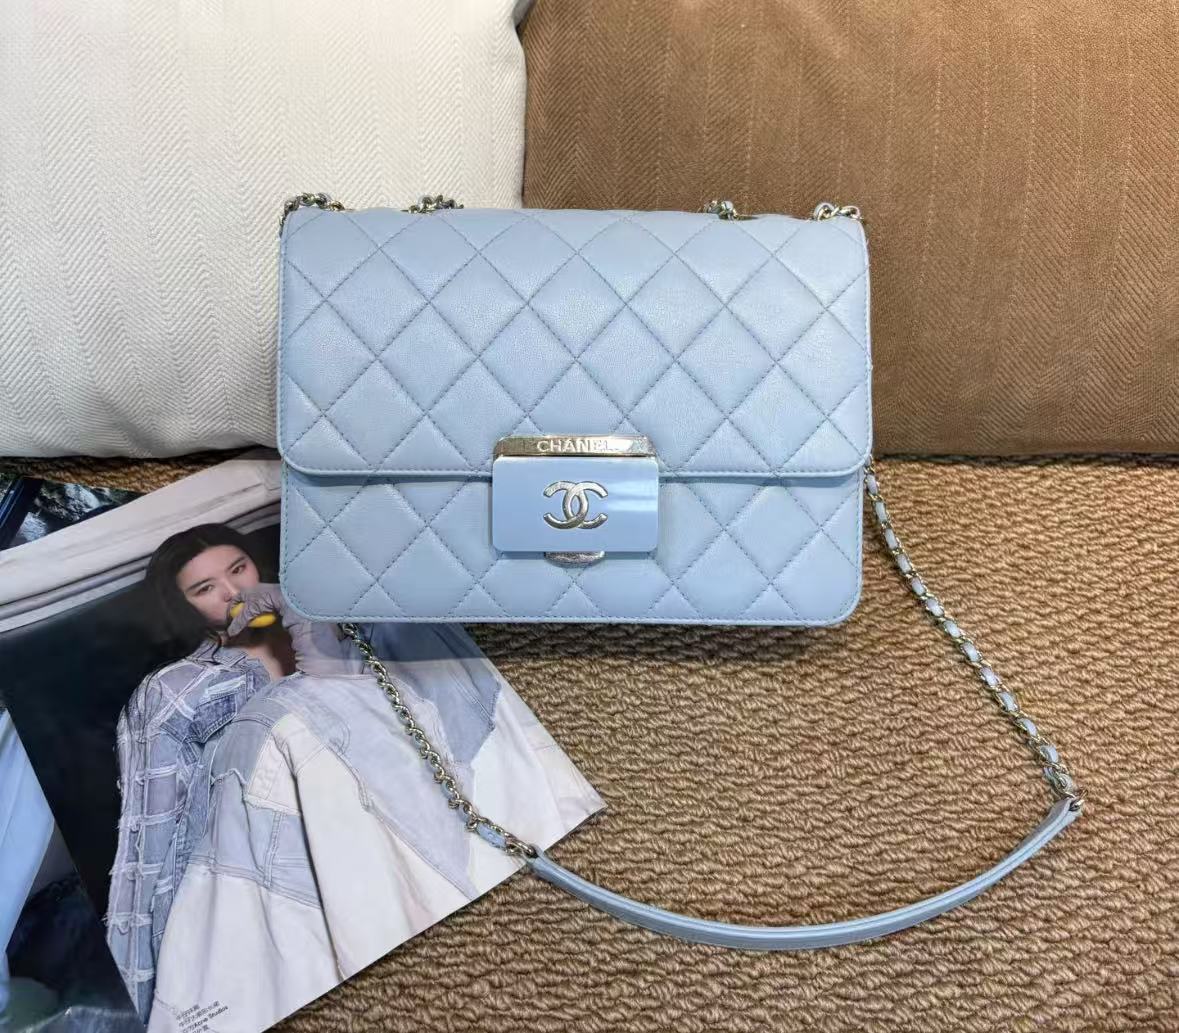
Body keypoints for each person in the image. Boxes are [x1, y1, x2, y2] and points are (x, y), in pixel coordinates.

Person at [103, 524, 284, 1024]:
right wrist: (136, 996)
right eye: (205, 588)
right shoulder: (174, 689)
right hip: (250, 886)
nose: (234, 592)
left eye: (238, 569)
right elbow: (146, 843)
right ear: (183, 608)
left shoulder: (333, 632)